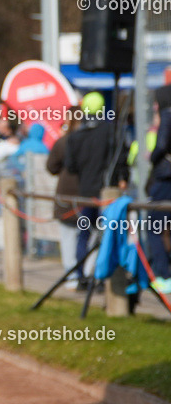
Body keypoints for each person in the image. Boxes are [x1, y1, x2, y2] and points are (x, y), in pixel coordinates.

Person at [65, 91, 129, 291]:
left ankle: (81, 275)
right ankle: (102, 278)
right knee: (107, 235)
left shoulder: (75, 138)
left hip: (86, 193)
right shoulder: (111, 131)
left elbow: (71, 166)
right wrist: (122, 178)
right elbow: (121, 158)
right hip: (107, 194)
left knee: (83, 234)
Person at [46, 110, 84, 290]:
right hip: (85, 194)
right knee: (86, 235)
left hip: (67, 195)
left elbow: (51, 166)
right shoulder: (89, 141)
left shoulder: (63, 142)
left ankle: (73, 276)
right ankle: (85, 274)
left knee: (69, 238)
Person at [147, 86, 171, 293]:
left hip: (166, 178)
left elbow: (161, 144)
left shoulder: (167, 114)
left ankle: (163, 275)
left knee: (154, 226)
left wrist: (154, 158)